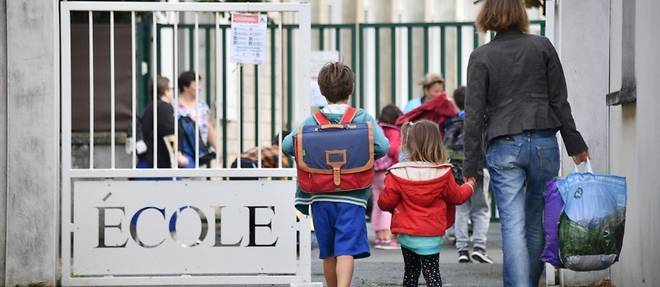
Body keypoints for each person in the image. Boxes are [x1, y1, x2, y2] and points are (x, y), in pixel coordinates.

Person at [464, 1, 590, 286]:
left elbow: (473, 116)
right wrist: (575, 144)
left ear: (487, 16)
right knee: (537, 223)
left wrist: (470, 167)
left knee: (513, 224)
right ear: (521, 15)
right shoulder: (542, 46)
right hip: (544, 142)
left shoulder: (481, 56)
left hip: (504, 144)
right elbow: (559, 101)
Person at [282, 62, 389, 287]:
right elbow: (382, 146)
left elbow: (286, 146)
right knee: (346, 250)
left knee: (328, 251)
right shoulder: (363, 119)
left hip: (320, 196)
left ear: (321, 91)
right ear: (351, 89)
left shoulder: (311, 122)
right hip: (353, 195)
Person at [378, 120, 475, 287]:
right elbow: (457, 197)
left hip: (407, 233)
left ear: (408, 143)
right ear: (437, 143)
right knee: (432, 274)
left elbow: (385, 203)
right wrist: (469, 185)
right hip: (432, 233)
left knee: (410, 273)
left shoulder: (398, 173)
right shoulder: (443, 173)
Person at [447, 86, 493, 264]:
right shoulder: (482, 120)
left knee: (461, 210)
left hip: (457, 173)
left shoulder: (452, 124)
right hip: (479, 171)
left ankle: (462, 250)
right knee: (481, 209)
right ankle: (479, 247)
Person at [137, 76, 187, 169]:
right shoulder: (164, 107)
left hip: (148, 161)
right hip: (159, 165)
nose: (172, 92)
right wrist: (178, 155)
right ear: (165, 91)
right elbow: (169, 131)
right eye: (171, 89)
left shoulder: (150, 107)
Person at [372, 104, 403, 250]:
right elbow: (394, 149)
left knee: (377, 203)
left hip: (374, 170)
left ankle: (378, 235)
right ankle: (387, 236)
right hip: (387, 171)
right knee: (388, 203)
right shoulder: (394, 131)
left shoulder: (377, 128)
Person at [177, 71, 218, 167]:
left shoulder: (202, 106)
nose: (200, 88)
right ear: (185, 87)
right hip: (182, 154)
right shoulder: (174, 106)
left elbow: (209, 127)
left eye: (200, 84)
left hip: (199, 153)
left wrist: (217, 148)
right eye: (196, 85)